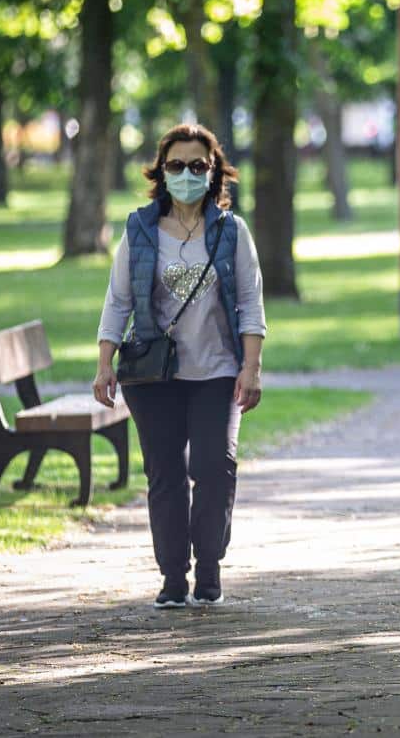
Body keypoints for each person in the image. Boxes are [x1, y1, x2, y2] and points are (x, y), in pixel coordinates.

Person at [93, 124, 266, 609]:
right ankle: (173, 576)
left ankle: (209, 564)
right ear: (161, 171)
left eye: (197, 166)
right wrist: (105, 364)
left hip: (216, 372)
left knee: (215, 469)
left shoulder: (232, 232)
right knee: (165, 474)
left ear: (213, 174)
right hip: (153, 376)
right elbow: (118, 300)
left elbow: (251, 305)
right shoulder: (140, 230)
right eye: (176, 165)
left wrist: (251, 367)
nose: (186, 174)